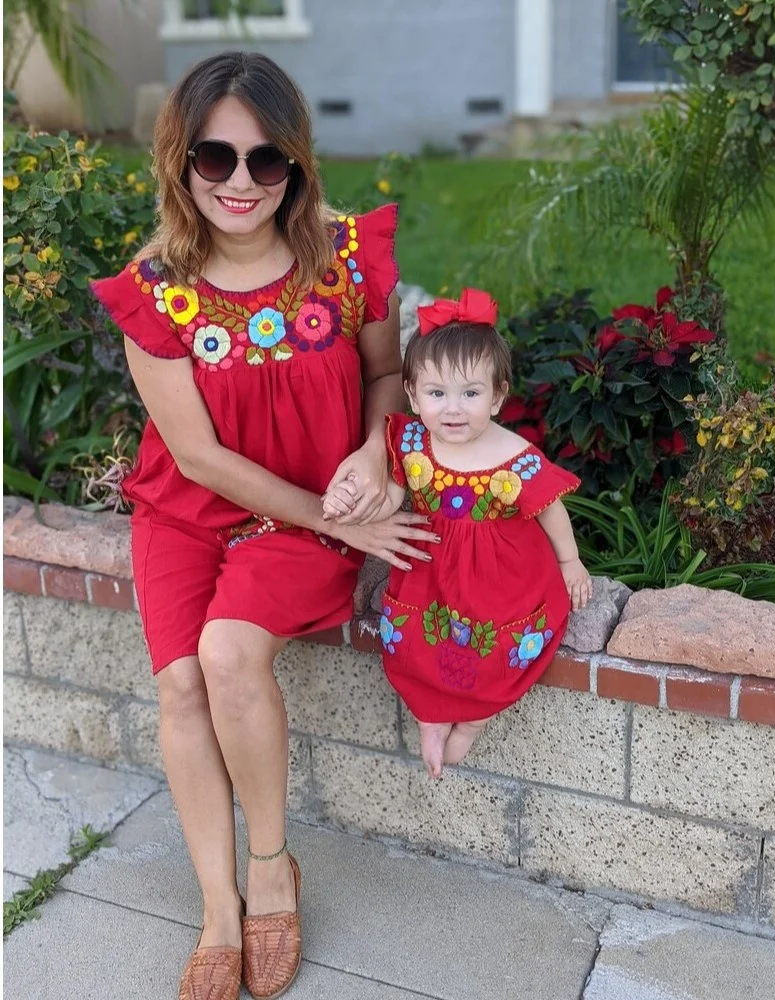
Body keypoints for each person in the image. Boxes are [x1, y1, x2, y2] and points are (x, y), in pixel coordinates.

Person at [91, 51, 436, 1000]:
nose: (239, 182)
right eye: (215, 157)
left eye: (265, 159)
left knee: (229, 655)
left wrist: (374, 459)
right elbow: (197, 459)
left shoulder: (346, 256)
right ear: (180, 161)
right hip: (191, 509)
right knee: (179, 684)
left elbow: (386, 373)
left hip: (308, 513)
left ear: (296, 161)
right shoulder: (155, 289)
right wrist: (344, 523)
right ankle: (217, 907)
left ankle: (272, 870)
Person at [324, 289, 592, 780]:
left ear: (497, 397)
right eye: (437, 394)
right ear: (412, 395)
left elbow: (550, 510)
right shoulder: (411, 442)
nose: (453, 409)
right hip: (432, 574)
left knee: (497, 649)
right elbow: (392, 495)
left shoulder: (513, 456)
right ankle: (430, 714)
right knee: (415, 643)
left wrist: (569, 562)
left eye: (471, 394)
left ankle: (474, 719)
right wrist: (354, 506)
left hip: (500, 578)